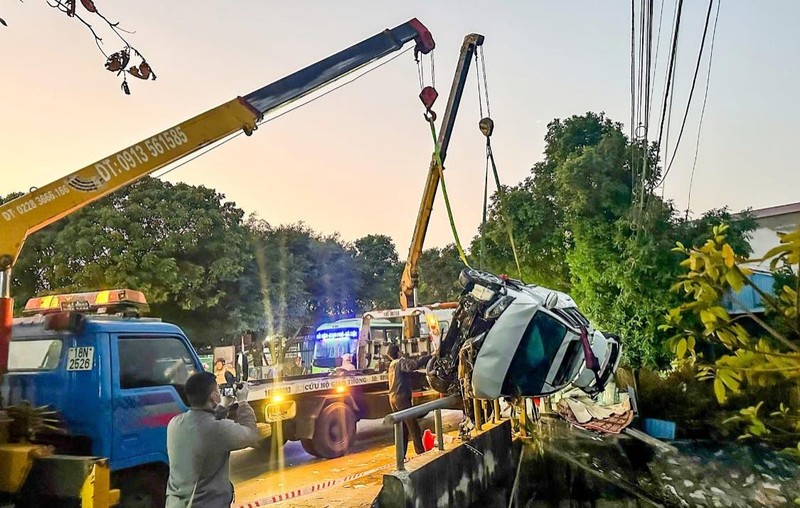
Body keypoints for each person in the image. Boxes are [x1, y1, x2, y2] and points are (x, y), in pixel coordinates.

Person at [165, 371, 259, 507]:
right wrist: (243, 402)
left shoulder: (174, 423)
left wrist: (223, 405)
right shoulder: (217, 430)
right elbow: (251, 435)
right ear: (214, 397)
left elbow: (203, 419)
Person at [386, 344, 431, 459]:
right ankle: (421, 454)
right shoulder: (400, 362)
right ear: (398, 352)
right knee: (414, 427)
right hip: (401, 398)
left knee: (403, 429)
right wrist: (429, 357)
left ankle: (401, 457)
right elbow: (414, 365)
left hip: (392, 398)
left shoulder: (391, 365)